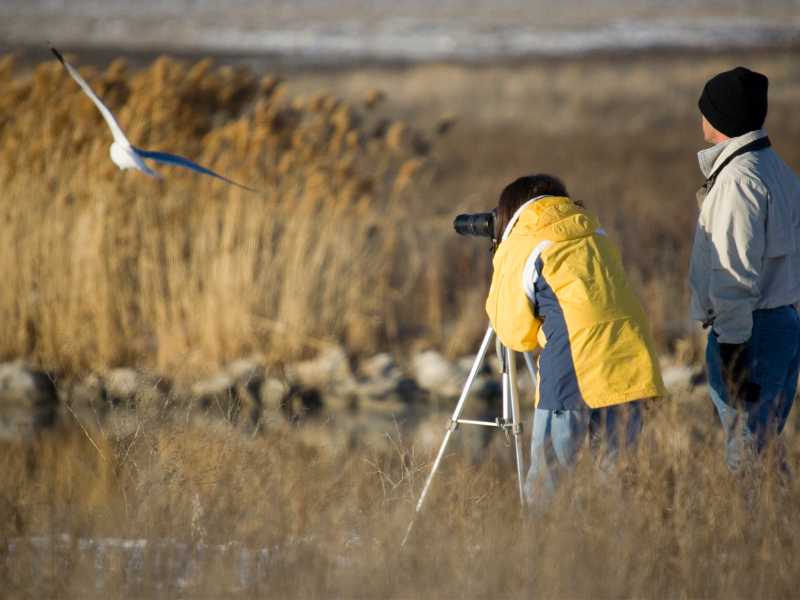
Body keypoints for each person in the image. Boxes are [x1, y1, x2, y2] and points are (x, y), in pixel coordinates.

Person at [485, 174, 665, 506]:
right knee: (618, 478)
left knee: (548, 481)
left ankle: (541, 549)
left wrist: (502, 262)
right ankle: (618, 552)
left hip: (573, 365)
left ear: (509, 212)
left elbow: (513, 333)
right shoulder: (593, 231)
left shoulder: (524, 241)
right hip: (630, 358)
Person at [690, 66, 800, 471]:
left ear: (720, 118)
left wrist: (733, 356)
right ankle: (779, 531)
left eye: (705, 109)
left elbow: (733, 274)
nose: (700, 118)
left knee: (748, 458)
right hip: (782, 324)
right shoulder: (779, 172)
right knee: (765, 451)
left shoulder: (739, 182)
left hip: (751, 333)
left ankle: (754, 535)